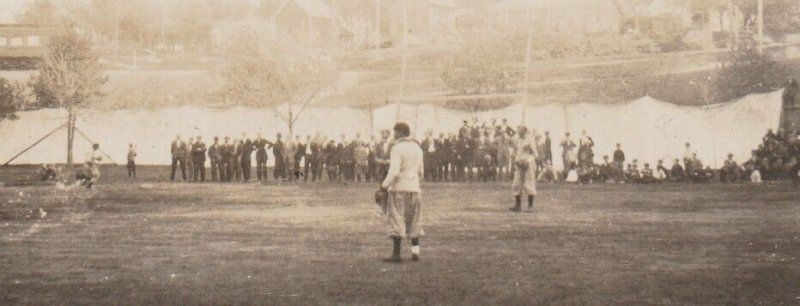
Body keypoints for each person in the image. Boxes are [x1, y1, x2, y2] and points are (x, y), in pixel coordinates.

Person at [380, 122, 424, 263]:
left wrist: (384, 186)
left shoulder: (397, 148)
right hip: (414, 187)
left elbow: (393, 171)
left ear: (399, 132)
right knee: (414, 218)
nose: (394, 134)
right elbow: (421, 172)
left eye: (395, 132)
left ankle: (397, 254)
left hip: (399, 188)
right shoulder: (418, 148)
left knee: (397, 218)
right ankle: (415, 252)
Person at [511, 126, 536, 212]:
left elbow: (535, 154)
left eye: (520, 129)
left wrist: (527, 161)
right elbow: (515, 151)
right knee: (516, 184)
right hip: (519, 164)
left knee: (529, 184)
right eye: (518, 129)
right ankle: (518, 206)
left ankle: (530, 206)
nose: (518, 131)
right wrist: (516, 161)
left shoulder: (530, 139)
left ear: (525, 130)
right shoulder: (517, 139)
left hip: (528, 165)